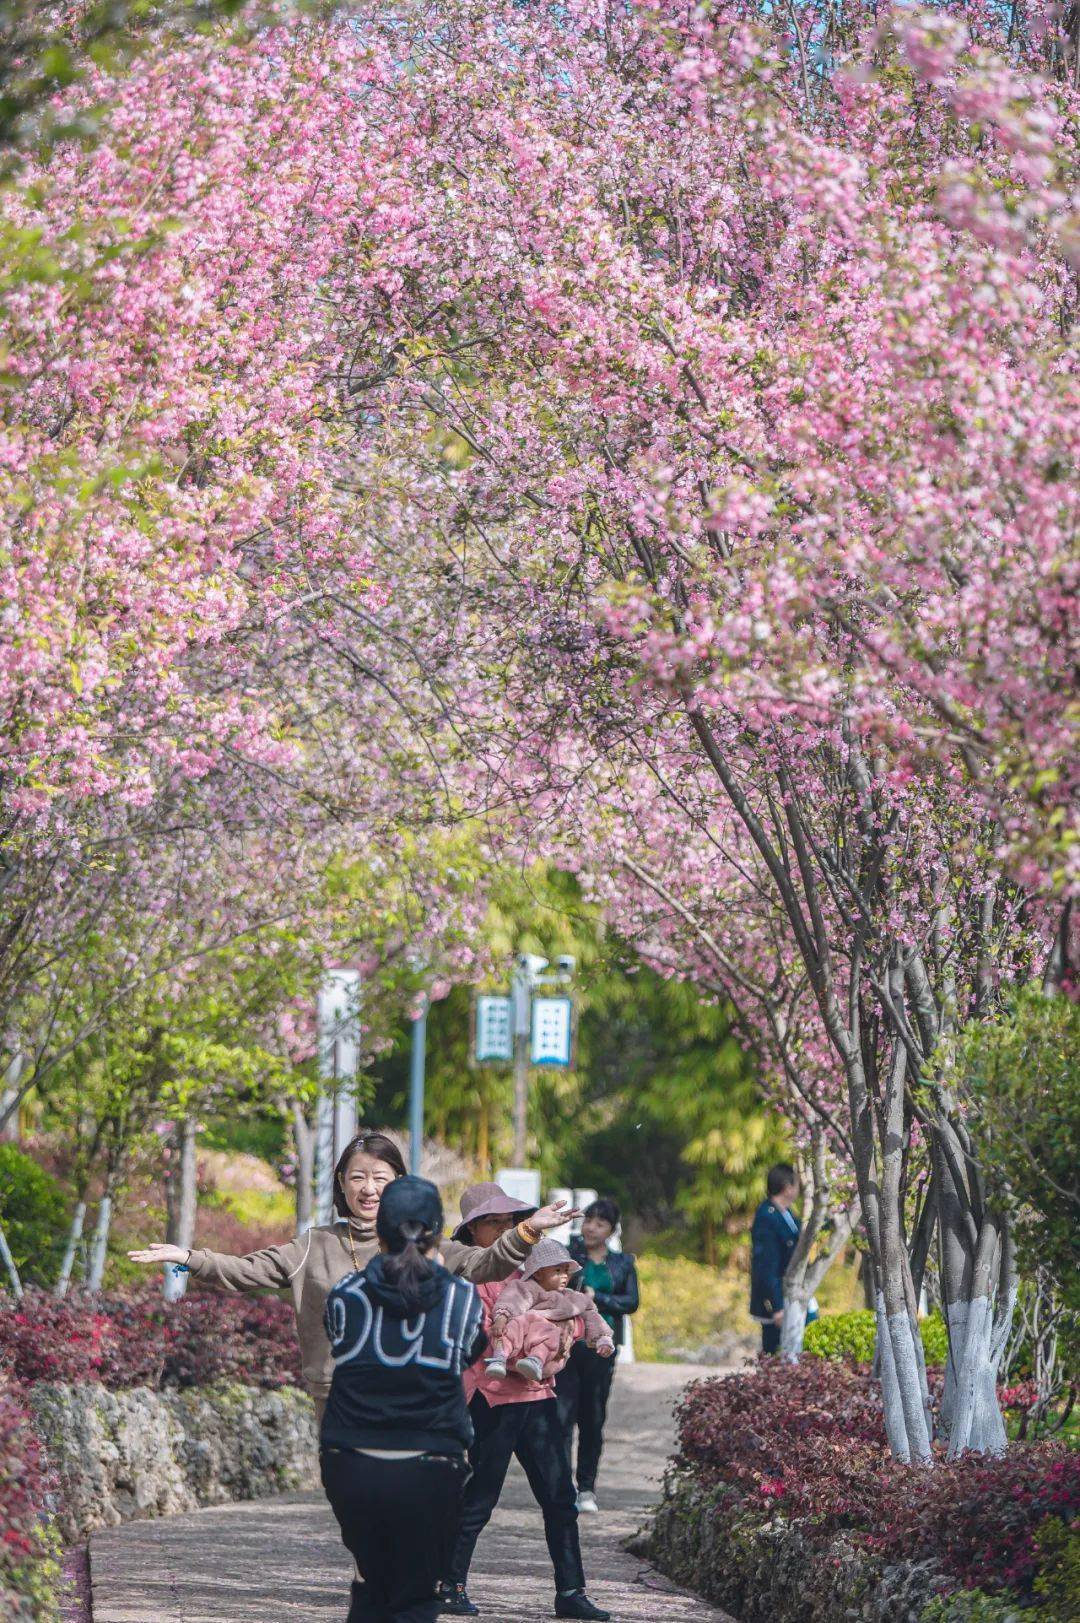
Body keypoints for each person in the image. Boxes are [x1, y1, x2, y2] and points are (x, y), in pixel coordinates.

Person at [129, 1136, 575, 1420]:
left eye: (380, 1178)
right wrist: (188, 1257)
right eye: (357, 1177)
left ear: (398, 1182)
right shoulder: (313, 1245)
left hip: (411, 1390)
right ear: (341, 1183)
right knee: (354, 1504)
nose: (368, 1188)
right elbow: (248, 1270)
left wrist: (529, 1229)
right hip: (339, 1397)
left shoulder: (424, 1245)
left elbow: (485, 1265)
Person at [321, 1174, 484, 1623]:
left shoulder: (345, 1295)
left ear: (382, 1230)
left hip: (350, 1463)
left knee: (373, 1585)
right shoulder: (463, 1299)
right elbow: (472, 1348)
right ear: (437, 1231)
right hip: (432, 1466)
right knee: (414, 1597)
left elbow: (340, 1346)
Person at [438, 1201, 609, 1622]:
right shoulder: (465, 1278)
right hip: (491, 1398)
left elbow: (572, 1315)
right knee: (480, 1496)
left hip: (537, 1396)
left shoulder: (529, 1271)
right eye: (492, 1223)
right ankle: (449, 1584)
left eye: (508, 1222)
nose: (503, 1229)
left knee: (560, 1497)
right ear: (471, 1231)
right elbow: (480, 1336)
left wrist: (564, 1334)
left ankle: (571, 1591)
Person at [555, 1198, 638, 1516]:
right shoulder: (568, 1254)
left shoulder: (623, 1263)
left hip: (600, 1350)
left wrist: (597, 1297)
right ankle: (561, 1486)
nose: (591, 1227)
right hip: (566, 1345)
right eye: (589, 1219)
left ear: (611, 1230)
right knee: (561, 1417)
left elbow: (631, 1302)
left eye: (600, 1223)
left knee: (592, 1419)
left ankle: (586, 1487)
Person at [483, 1239, 614, 1382]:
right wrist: (501, 1319)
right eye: (558, 1270)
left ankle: (535, 1360)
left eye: (566, 1271)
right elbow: (512, 1301)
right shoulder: (527, 1288)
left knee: (548, 1330)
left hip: (549, 1357)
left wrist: (603, 1338)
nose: (564, 1275)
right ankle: (500, 1356)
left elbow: (592, 1316)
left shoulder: (573, 1298)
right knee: (516, 1323)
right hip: (518, 1352)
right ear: (538, 1273)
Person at [750, 1162, 816, 1354]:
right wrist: (776, 1307)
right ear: (787, 1188)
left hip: (794, 1292)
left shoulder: (786, 1213)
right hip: (779, 1299)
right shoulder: (767, 1216)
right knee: (776, 1355)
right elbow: (766, 1265)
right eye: (796, 1183)